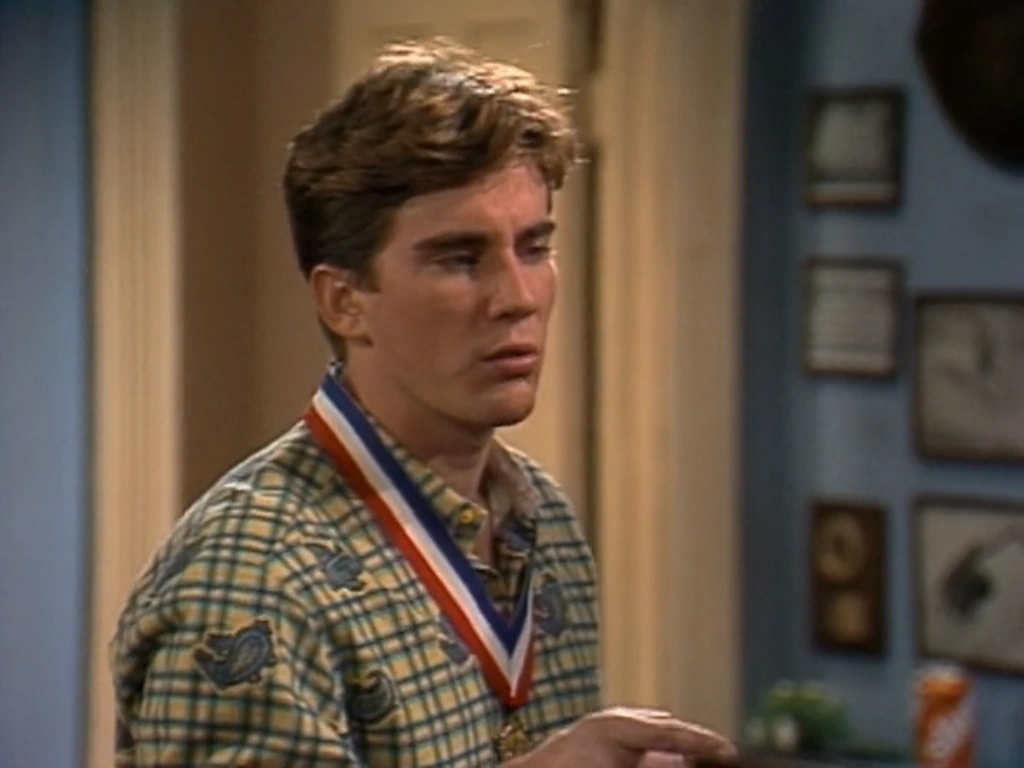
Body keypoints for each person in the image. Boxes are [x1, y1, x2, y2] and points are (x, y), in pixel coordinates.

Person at [111, 37, 736, 767]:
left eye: (534, 248)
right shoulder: (253, 577)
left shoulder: (543, 520)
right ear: (346, 301)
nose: (517, 298)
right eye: (460, 259)